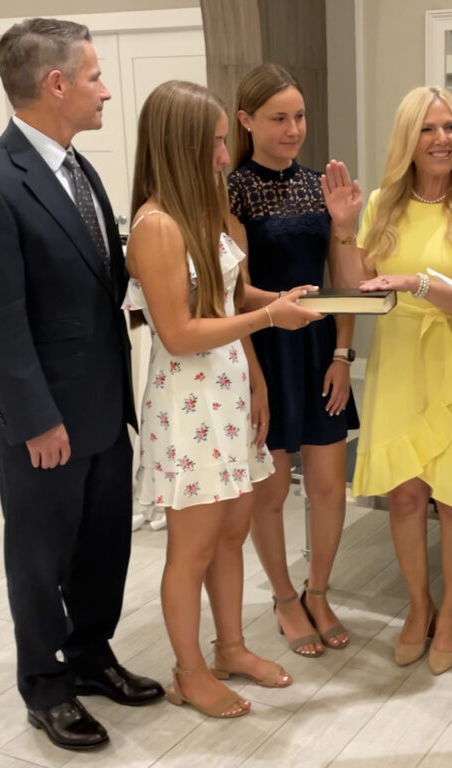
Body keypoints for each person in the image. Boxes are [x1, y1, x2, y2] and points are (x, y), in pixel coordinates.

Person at [0, 18, 164, 751]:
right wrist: (36, 418)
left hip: (101, 405)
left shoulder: (80, 168)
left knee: (104, 550)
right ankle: (45, 687)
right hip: (42, 421)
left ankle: (92, 657)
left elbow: (97, 282)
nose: (107, 90)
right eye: (95, 76)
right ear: (56, 84)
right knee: (42, 562)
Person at [126, 80, 324, 718]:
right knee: (193, 547)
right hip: (189, 403)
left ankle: (230, 647)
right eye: (213, 142)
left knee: (233, 531)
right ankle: (188, 673)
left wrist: (279, 308)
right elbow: (180, 333)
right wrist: (268, 320)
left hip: (229, 389)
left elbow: (228, 298)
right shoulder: (157, 226)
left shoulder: (201, 210)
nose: (222, 155)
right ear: (179, 145)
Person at [328, 86, 452, 675]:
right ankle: (418, 605)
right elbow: (356, 287)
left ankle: (451, 612)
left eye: (450, 127)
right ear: (409, 138)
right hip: (400, 361)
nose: (441, 139)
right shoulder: (382, 203)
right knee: (405, 494)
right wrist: (344, 227)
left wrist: (417, 283)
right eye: (428, 129)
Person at [227, 63, 360, 657]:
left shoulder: (319, 186)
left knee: (329, 486)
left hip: (320, 350)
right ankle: (284, 597)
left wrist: (342, 355)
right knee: (273, 489)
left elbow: (346, 284)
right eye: (278, 118)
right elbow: (234, 292)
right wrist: (282, 312)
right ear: (246, 120)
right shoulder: (233, 190)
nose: (293, 129)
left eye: (299, 116)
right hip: (263, 349)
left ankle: (319, 591)